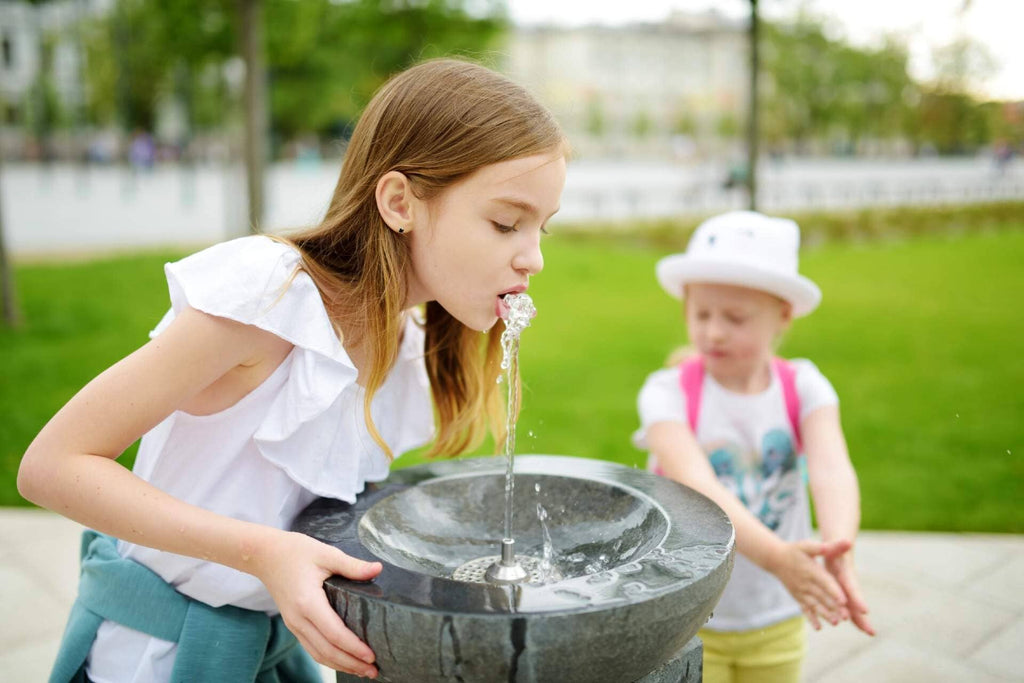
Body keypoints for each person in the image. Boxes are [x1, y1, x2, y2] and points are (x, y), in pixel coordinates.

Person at [18, 58, 568, 682]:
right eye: (506, 223)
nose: (534, 258)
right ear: (399, 202)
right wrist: (263, 554)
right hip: (155, 660)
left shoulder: (405, 345)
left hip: (275, 658)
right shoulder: (270, 299)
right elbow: (51, 467)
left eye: (541, 229)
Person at [632, 211, 874, 683]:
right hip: (687, 615)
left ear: (783, 315)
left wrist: (837, 546)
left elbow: (832, 470)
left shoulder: (804, 386)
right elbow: (698, 485)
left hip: (774, 615)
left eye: (735, 317)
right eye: (701, 314)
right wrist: (779, 558)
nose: (713, 332)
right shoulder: (667, 393)